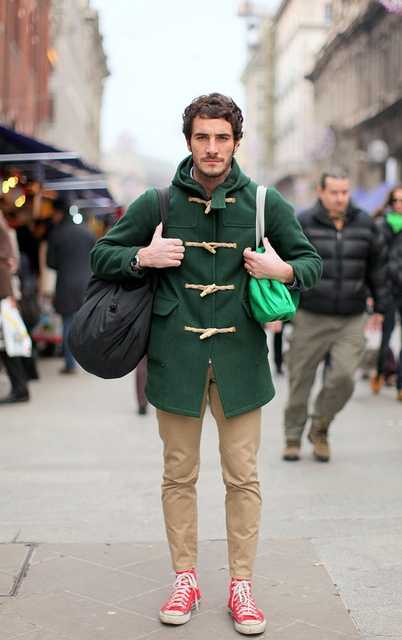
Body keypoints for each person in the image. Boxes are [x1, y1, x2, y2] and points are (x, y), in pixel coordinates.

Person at [91, 93, 321, 635]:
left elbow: (311, 263)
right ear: (189, 141)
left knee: (243, 477)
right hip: (175, 361)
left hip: (241, 363)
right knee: (178, 475)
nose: (212, 147)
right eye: (202, 137)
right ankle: (186, 578)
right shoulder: (158, 202)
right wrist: (142, 256)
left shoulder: (263, 203)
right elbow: (102, 255)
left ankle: (241, 585)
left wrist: (281, 270)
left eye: (222, 137)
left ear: (236, 142)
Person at [283, 168, 390, 463]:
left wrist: (381, 308)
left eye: (345, 192)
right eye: (334, 192)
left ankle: (320, 427)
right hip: (310, 315)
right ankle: (292, 436)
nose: (340, 198)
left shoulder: (365, 224)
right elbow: (287, 264)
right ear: (321, 192)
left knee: (344, 378)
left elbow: (377, 270)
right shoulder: (303, 222)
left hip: (351, 317)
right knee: (300, 380)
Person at [46, 199, 95, 374]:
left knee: (68, 323)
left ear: (59, 213)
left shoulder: (57, 234)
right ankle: (89, 361)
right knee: (85, 324)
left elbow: (50, 263)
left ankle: (70, 364)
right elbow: (96, 258)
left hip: (65, 283)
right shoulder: (87, 232)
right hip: (86, 283)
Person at [371, 185, 402, 401]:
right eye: (396, 200)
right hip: (387, 288)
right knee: (387, 334)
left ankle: (401, 383)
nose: (399, 204)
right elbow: (375, 259)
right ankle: (380, 371)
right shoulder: (381, 225)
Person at [0, 211, 30, 404]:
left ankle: (20, 389)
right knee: (8, 345)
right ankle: (20, 388)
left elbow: (6, 267)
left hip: (3, 299)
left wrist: (9, 296)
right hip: (5, 297)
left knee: (8, 345)